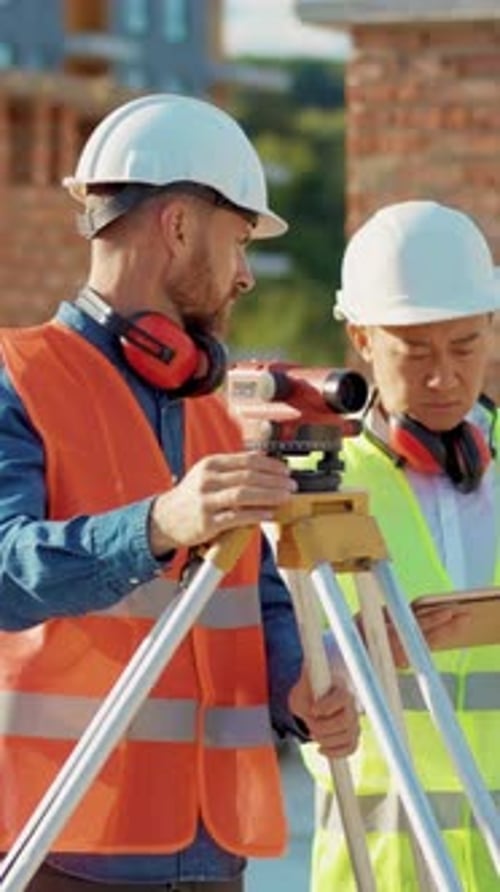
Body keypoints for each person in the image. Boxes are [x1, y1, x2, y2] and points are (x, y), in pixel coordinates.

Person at [0, 93, 360, 891]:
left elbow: (254, 596)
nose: (242, 277)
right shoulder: (18, 378)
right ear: (179, 227)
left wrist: (296, 687)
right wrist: (160, 523)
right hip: (62, 843)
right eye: (237, 242)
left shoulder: (214, 410)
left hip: (207, 849)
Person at [302, 200, 500, 891]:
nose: (444, 376)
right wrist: (352, 650)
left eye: (465, 346)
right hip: (376, 869)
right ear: (360, 337)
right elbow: (267, 668)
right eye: (415, 351)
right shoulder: (310, 489)